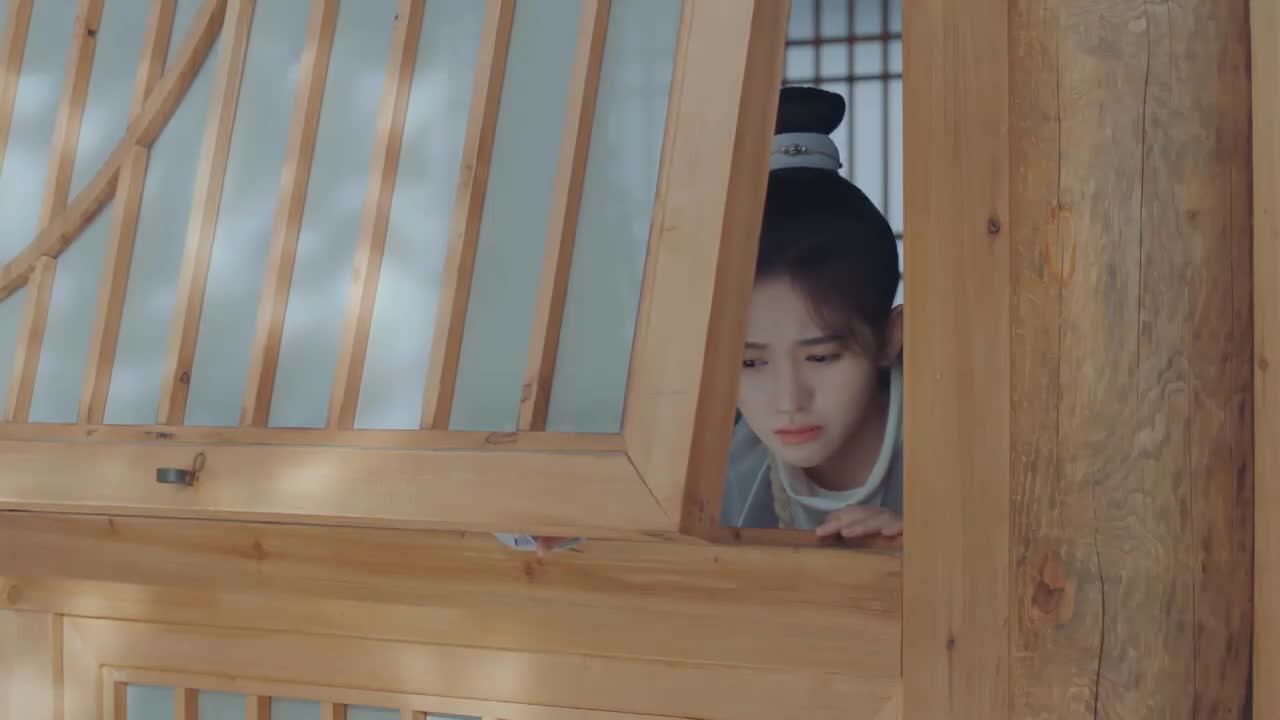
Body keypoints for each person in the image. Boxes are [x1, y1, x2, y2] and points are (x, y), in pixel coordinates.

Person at [719, 85, 903, 541]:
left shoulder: (966, 451)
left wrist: (931, 557)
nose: (788, 400)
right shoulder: (719, 469)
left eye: (821, 357)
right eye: (750, 362)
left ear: (891, 338)